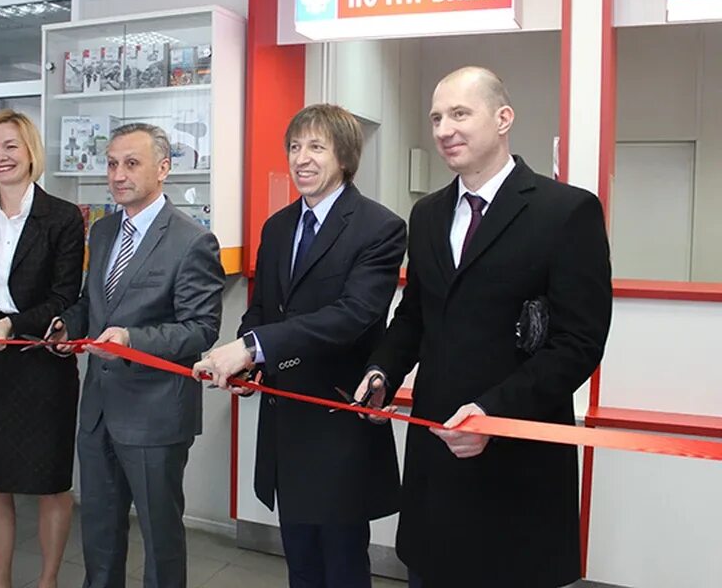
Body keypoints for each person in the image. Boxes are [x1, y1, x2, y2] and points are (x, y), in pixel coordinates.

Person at [357, 67, 612, 588]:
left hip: (516, 460)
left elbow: (578, 343)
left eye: (459, 113)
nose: (444, 129)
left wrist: (493, 412)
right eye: (436, 117)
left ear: (503, 119)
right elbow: (415, 315)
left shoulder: (566, 211)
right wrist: (382, 370)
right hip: (436, 457)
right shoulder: (427, 214)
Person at [194, 104, 407, 588]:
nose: (301, 158)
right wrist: (250, 364)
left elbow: (353, 316)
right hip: (284, 423)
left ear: (345, 157)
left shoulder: (379, 227)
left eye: (316, 147)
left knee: (342, 564)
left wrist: (253, 347)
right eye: (294, 147)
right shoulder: (278, 226)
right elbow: (262, 309)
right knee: (301, 563)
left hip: (337, 424)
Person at [48, 122, 225, 588]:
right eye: (111, 164)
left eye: (131, 163)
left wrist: (132, 339)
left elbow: (201, 329)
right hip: (98, 410)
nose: (117, 175)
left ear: (163, 169)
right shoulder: (103, 230)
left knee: (159, 537)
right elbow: (93, 303)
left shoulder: (192, 240)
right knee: (99, 533)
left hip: (155, 414)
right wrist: (70, 324)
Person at [0, 109, 84, 588]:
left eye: (10, 146)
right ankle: (0, 583)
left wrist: (13, 324)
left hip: (42, 363)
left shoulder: (63, 216)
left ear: (31, 152)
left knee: (51, 484)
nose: (0, 157)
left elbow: (64, 296)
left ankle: (47, 581)